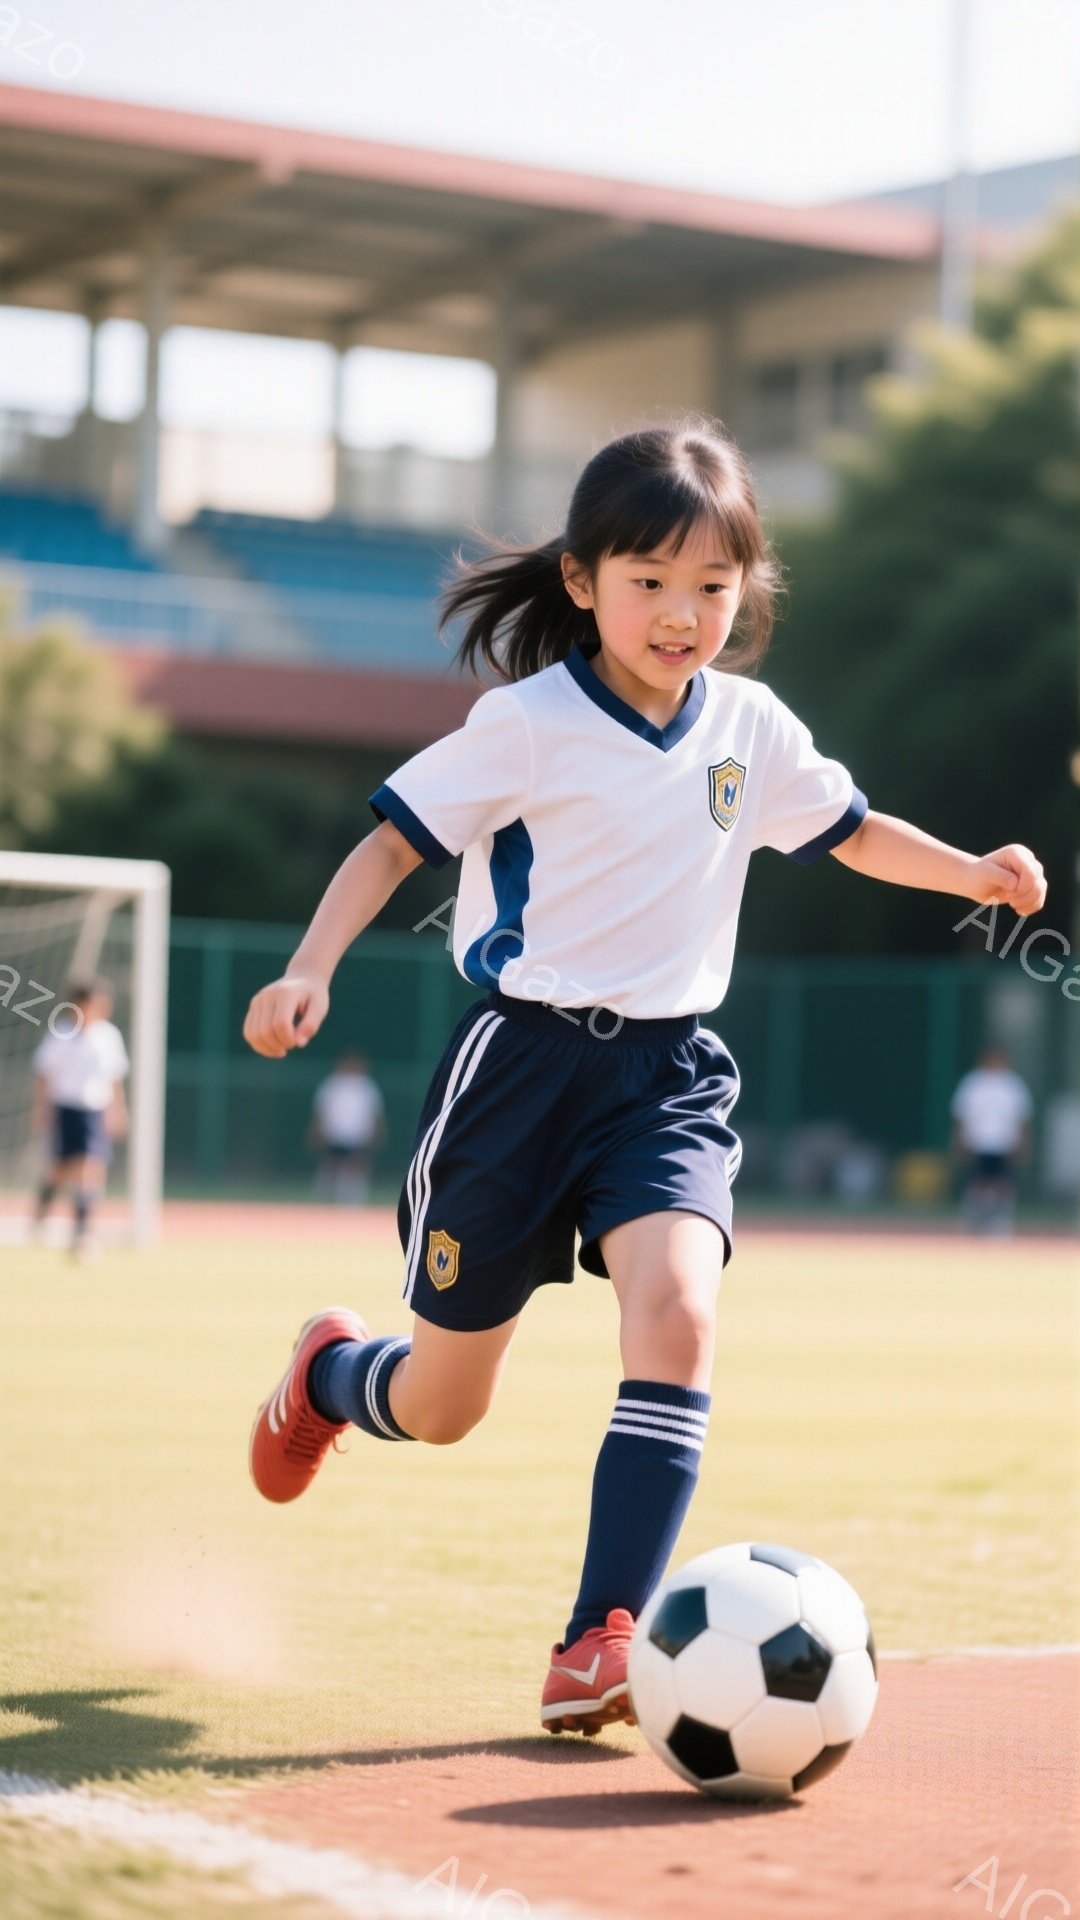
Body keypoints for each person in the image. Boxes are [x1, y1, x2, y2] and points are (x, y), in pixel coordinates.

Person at [242, 417, 1047, 1736]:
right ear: (582, 579)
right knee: (443, 1408)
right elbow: (390, 845)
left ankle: (597, 1640)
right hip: (518, 1071)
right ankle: (329, 1374)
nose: (683, 614)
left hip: (670, 1076)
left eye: (714, 586)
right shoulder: (527, 724)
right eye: (650, 581)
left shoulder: (751, 727)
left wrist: (972, 872)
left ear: (748, 588)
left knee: (677, 1315)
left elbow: (850, 834)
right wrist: (308, 969)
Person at [29, 976, 129, 1262]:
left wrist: (118, 1109)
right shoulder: (61, 1033)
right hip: (66, 1107)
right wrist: (42, 1109)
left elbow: (115, 1077)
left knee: (90, 1166)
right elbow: (44, 1073)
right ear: (80, 1004)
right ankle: (41, 1212)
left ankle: (82, 1232)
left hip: (94, 1110)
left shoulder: (108, 1036)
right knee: (60, 1169)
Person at [950, 1045, 1034, 1236]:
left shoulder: (1013, 1085)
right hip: (978, 1142)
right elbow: (962, 1116)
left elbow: (1021, 1119)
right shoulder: (972, 1083)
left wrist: (1022, 1143)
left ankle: (1000, 1221)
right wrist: (959, 1141)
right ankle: (974, 1220)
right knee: (978, 1183)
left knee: (1001, 1184)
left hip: (1004, 1143)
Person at [309, 1051, 387, 1203]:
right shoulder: (332, 1085)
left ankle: (353, 1202)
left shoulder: (367, 1087)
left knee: (355, 1169)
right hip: (335, 1134)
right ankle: (323, 1201)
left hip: (357, 1136)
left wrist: (376, 1132)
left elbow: (375, 1114)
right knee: (331, 1168)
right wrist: (317, 1131)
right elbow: (321, 1111)